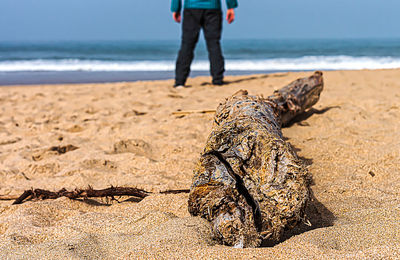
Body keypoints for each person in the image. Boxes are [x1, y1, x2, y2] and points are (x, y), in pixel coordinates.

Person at [171, 0, 238, 87]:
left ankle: (180, 81)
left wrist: (175, 8)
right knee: (213, 44)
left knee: (187, 44)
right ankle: (217, 79)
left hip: (192, 7)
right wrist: (231, 6)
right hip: (212, 7)